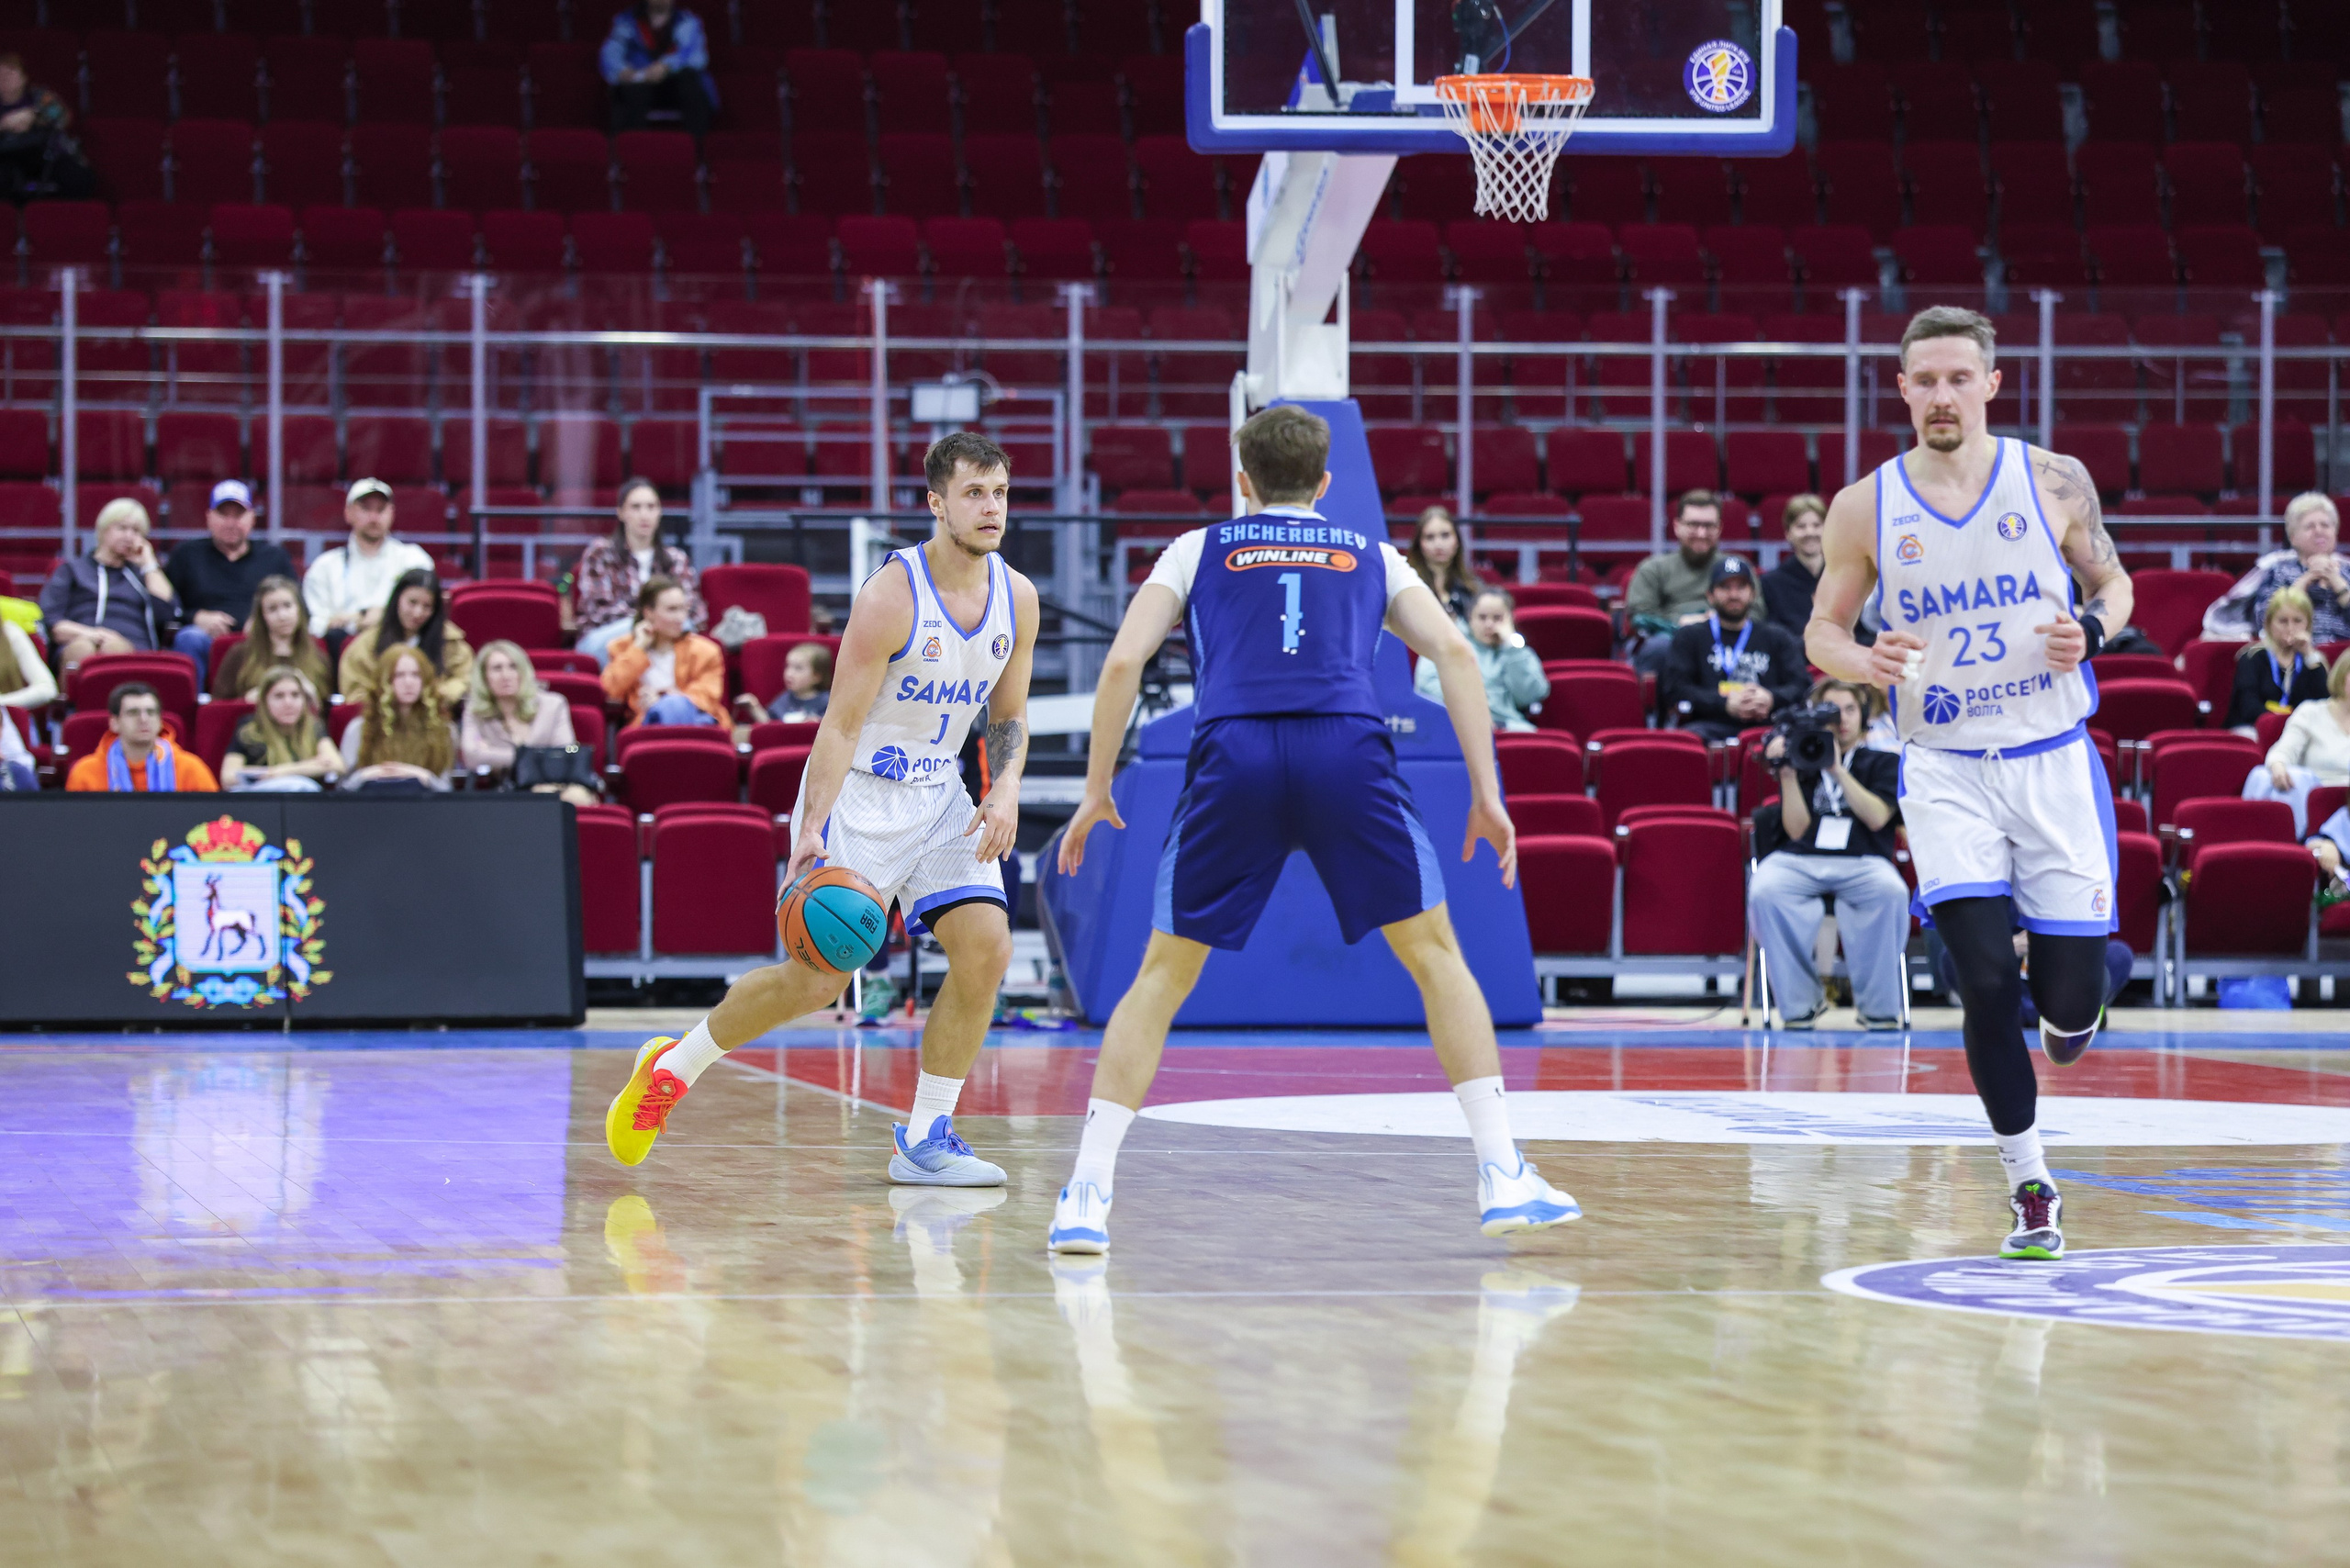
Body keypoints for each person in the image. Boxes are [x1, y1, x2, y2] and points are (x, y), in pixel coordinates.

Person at [1044, 404, 1579, 1255]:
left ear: (1243, 481)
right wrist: (1487, 792)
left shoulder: (1197, 548)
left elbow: (1121, 662)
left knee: (1162, 976)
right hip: (1346, 753)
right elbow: (1455, 654)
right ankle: (1502, 1171)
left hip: (1236, 754)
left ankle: (1086, 1193)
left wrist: (1095, 788)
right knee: (1437, 958)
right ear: (1325, 483)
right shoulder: (1373, 553)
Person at [602, 431, 1040, 1193]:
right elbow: (838, 724)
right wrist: (811, 826)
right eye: (974, 493)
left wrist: (1005, 787)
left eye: (1000, 492)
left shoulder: (1017, 597)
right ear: (937, 504)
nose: (991, 507)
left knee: (987, 950)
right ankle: (673, 1066)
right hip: (861, 790)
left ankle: (927, 1136)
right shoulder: (891, 595)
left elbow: (1008, 717)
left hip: (941, 793)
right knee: (818, 983)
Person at [1808, 304, 2133, 1263]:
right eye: (1925, 380)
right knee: (1984, 981)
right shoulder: (1864, 504)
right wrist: (1862, 660)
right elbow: (1823, 630)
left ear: (1991, 383)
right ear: (1901, 389)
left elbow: (2115, 586)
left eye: (1959, 378)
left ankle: (2076, 1008)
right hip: (1945, 766)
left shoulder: (2052, 479)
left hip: (2050, 758)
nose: (1941, 396)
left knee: (2065, 1004)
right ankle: (2030, 1185)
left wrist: (2093, 631)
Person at [1747, 679, 1908, 1029]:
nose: (1842, 719)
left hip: (1865, 862)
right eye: (1833, 711)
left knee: (1891, 891)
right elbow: (1796, 831)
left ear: (1863, 715)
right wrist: (1787, 774)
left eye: (1849, 710)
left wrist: (1837, 769)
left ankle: (1878, 1008)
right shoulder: (1802, 760)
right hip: (1803, 859)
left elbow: (1877, 817)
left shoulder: (1884, 761)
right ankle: (1801, 1003)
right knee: (1765, 888)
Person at [1660, 557, 1810, 743]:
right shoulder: (1690, 637)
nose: (1734, 594)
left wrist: (1771, 698)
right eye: (1725, 587)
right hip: (1709, 725)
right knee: (1687, 740)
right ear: (1710, 595)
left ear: (1753, 593)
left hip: (1769, 727)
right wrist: (1724, 703)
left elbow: (1802, 686)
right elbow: (1675, 689)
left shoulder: (1777, 637)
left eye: (1741, 587)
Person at [163, 481, 294, 683]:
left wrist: (264, 621)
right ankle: (190, 702)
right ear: (209, 517)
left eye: (238, 515)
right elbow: (165, 608)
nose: (231, 523)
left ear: (252, 518)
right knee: (189, 638)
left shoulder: (274, 557)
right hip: (205, 639)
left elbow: (297, 605)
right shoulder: (186, 554)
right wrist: (196, 617)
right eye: (223, 515)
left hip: (262, 640)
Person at [1626, 489, 1763, 673]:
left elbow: (1757, 611)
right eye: (1693, 525)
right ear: (1677, 526)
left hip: (1731, 638)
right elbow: (1640, 616)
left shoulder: (1737, 566)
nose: (1701, 533)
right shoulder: (1654, 568)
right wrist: (1679, 623)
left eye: (1709, 526)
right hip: (1671, 641)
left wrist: (1719, 622)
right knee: (1656, 649)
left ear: (1719, 528)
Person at [570, 477, 703, 666]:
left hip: (663, 637)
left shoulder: (676, 559)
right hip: (609, 635)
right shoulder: (600, 553)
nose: (644, 515)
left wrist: (656, 622)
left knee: (687, 629)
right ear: (621, 512)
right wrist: (657, 619)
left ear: (659, 512)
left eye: (651, 507)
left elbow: (694, 611)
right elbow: (599, 612)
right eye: (636, 507)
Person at [301, 479, 436, 664]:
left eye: (381, 509)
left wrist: (357, 619)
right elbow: (316, 624)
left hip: (404, 659)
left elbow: (427, 614)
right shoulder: (324, 567)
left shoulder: (414, 559)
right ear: (348, 513)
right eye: (366, 509)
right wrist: (365, 618)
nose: (374, 517)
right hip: (339, 660)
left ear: (392, 513)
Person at [39, 498, 178, 669]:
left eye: (136, 531)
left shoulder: (144, 576)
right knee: (82, 648)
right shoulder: (72, 570)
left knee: (114, 649)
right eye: (122, 528)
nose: (129, 536)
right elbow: (51, 621)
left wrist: (149, 563)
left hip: (133, 647)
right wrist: (94, 635)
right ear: (103, 530)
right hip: (80, 638)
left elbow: (169, 615)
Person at [461, 640, 600, 808]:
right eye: (497, 668)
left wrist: (496, 755)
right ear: (484, 677)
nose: (506, 675)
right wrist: (538, 757)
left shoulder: (553, 705)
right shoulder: (475, 711)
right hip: (503, 792)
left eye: (513, 667)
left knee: (574, 798)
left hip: (554, 786)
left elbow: (565, 752)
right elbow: (472, 757)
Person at [2202, 493, 2350, 644]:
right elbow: (2265, 620)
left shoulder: (2348, 571)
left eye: (2325, 525)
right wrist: (2307, 579)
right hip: (2293, 650)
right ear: (2293, 538)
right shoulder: (2278, 570)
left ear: (2335, 532)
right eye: (2309, 526)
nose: (2319, 531)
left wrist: (2338, 583)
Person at [1413, 586, 1549, 731]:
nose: (1489, 624)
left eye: (1497, 618)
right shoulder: (1447, 644)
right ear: (1470, 618)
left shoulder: (1519, 653)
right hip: (1457, 725)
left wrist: (1511, 648)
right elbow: (1425, 685)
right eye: (1482, 617)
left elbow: (1528, 697)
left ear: (1510, 620)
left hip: (1508, 725)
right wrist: (1475, 706)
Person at [2245, 653, 2350, 837]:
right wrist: (2278, 766)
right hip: (2314, 800)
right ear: (2342, 676)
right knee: (2267, 777)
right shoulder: (2311, 713)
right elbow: (2282, 752)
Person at [337, 569, 474, 707]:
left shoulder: (449, 641)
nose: (417, 613)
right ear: (397, 599)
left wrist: (434, 697)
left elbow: (465, 678)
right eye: (412, 602)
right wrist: (391, 702)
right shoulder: (368, 643)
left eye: (427, 606)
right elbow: (355, 689)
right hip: (381, 715)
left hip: (436, 714)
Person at [601, 576, 726, 726]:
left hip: (697, 724)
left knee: (674, 706)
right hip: (648, 726)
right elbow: (611, 691)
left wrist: (662, 699)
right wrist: (638, 647)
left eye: (683, 609)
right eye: (672, 609)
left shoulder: (706, 651)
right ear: (648, 612)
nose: (680, 618)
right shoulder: (622, 648)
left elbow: (707, 697)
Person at [339, 645, 456, 790]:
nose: (408, 682)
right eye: (399, 675)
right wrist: (370, 774)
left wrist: (418, 775)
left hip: (423, 802)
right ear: (384, 680)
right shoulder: (360, 729)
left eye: (416, 675)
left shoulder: (444, 730)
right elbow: (343, 788)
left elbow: (446, 789)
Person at [1761, 492, 1871, 645]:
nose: (1810, 532)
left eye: (1817, 525)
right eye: (1801, 526)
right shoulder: (1771, 583)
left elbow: (1865, 633)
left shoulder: (1848, 579)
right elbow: (1774, 639)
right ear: (1788, 533)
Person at [65, 682, 218, 792]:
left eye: (151, 712)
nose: (144, 719)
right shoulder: (85, 772)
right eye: (133, 713)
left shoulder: (191, 768)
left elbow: (212, 821)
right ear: (114, 723)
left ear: (160, 721)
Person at [599, 0, 716, 137]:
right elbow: (611, 52)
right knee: (629, 91)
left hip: (675, 82)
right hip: (640, 81)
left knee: (691, 82)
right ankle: (632, 145)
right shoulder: (627, 20)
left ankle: (696, 145)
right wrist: (623, 70)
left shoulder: (688, 21)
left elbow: (698, 57)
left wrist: (666, 66)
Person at [2224, 584, 2328, 735]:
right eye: (2283, 621)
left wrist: (2309, 654)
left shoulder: (2313, 662)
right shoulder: (2252, 657)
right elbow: (2248, 707)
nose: (2290, 628)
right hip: (2254, 728)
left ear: (2308, 624)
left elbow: (2324, 705)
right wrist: (2282, 721)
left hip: (2300, 731)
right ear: (2268, 624)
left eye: (2297, 621)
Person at [214, 574, 332, 702]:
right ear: (262, 616)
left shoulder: (318, 656)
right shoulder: (240, 654)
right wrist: (247, 701)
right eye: (272, 609)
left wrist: (311, 695)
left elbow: (327, 707)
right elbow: (218, 707)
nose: (282, 616)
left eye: (287, 605)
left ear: (299, 609)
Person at [220, 666, 340, 791]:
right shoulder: (249, 730)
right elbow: (228, 777)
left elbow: (337, 765)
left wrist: (278, 772)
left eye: (295, 695)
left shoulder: (313, 726)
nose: (288, 703)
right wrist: (312, 766)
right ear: (264, 701)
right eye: (279, 696)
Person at [0, 51, 92, 201]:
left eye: (10, 73)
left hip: (45, 155)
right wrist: (4, 124)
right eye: (1, 74)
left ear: (24, 77)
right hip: (6, 157)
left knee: (79, 178)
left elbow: (63, 118)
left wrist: (35, 116)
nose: (5, 78)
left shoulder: (40, 96)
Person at [0, 614, 55, 790]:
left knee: (16, 776)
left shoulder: (9, 632)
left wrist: (2, 702)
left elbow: (47, 688)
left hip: (9, 722)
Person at [1405, 504, 1485, 625]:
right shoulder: (1408, 586)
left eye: (1445, 535)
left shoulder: (1474, 587)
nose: (1438, 544)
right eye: (1430, 537)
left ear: (1457, 541)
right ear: (1419, 544)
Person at [733, 639, 833, 724]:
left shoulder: (827, 702)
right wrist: (754, 707)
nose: (789, 673)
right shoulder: (783, 699)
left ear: (817, 677)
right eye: (787, 666)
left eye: (798, 668)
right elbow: (769, 725)